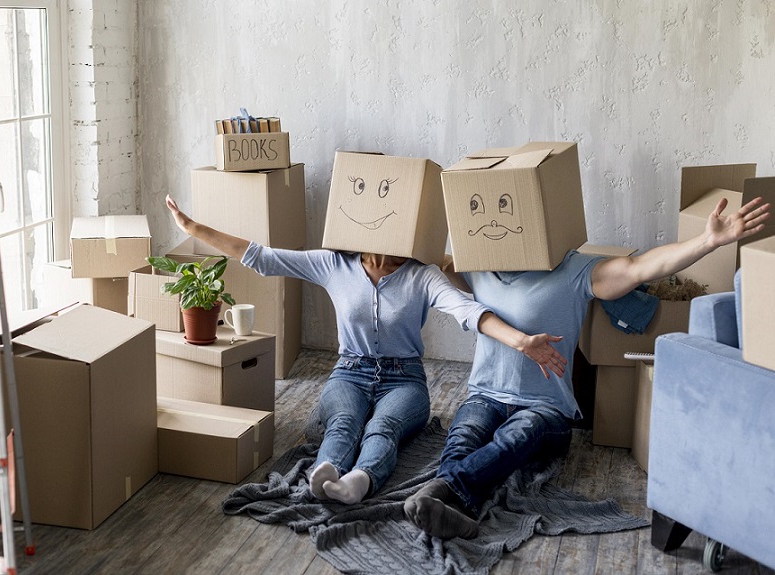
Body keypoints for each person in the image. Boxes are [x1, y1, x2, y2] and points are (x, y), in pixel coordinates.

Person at [405, 195, 771, 539]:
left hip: (546, 409)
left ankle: (449, 494)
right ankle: (448, 505)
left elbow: (640, 267)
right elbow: (427, 257)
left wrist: (708, 241)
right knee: (463, 438)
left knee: (517, 436)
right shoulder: (479, 268)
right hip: (485, 395)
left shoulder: (574, 270)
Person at [163, 194, 568, 505]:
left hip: (404, 379)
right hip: (349, 372)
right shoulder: (333, 265)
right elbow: (263, 258)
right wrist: (193, 227)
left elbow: (467, 311)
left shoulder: (422, 275)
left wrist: (522, 342)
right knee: (344, 422)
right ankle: (327, 472)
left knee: (383, 426)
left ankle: (361, 480)